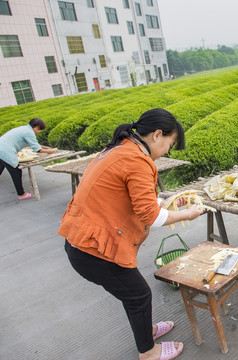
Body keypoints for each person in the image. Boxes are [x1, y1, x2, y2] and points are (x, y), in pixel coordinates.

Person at [59, 108, 203, 360]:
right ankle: (148, 352)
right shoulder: (136, 160)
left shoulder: (121, 149)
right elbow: (151, 216)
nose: (168, 150)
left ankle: (145, 332)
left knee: (133, 294)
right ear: (157, 135)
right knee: (139, 295)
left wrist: (169, 203)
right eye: (169, 143)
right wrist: (187, 214)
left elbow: (135, 198)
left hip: (81, 241)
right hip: (93, 251)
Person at [0, 118, 56, 200]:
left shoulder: (25, 129)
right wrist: (49, 152)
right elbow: (37, 149)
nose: (39, 132)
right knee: (16, 171)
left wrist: (45, 147)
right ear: (36, 127)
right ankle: (21, 194)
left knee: (1, 165)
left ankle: (21, 193)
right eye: (40, 130)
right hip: (6, 150)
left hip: (1, 148)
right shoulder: (29, 132)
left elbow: (33, 144)